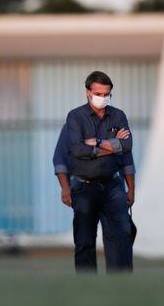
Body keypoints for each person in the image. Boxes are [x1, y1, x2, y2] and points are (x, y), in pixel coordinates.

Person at [53, 71, 135, 272]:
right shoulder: (74, 119)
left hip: (113, 186)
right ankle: (86, 286)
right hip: (84, 186)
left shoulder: (118, 116)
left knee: (122, 234)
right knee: (84, 240)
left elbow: (127, 148)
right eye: (98, 93)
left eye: (107, 94)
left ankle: (121, 284)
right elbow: (73, 152)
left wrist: (97, 144)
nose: (103, 98)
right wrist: (112, 147)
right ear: (88, 93)